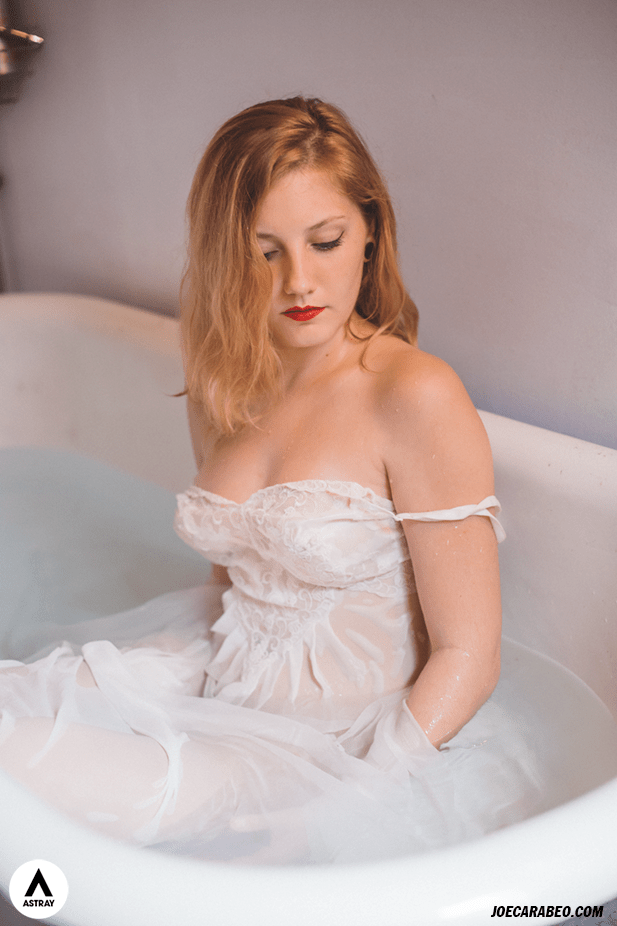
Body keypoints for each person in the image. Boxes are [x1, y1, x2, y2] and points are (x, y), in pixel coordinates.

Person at [0, 97, 540, 864]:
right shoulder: (226, 378)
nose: (299, 281)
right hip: (222, 671)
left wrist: (344, 802)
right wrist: (158, 670)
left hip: (330, 740)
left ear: (369, 231)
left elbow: (467, 655)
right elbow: (236, 582)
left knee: (19, 772)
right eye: (264, 252)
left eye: (325, 241)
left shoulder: (413, 395)